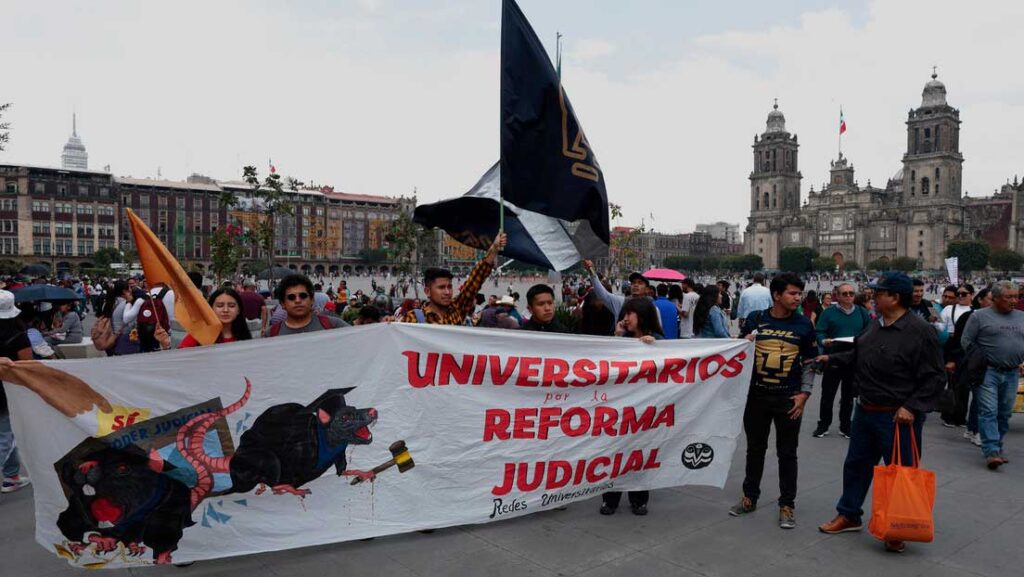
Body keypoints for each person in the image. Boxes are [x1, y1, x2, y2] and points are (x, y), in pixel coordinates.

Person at [816, 272, 945, 554]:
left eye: (879, 293)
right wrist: (830, 359)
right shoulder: (875, 325)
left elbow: (934, 377)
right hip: (866, 410)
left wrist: (911, 407)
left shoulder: (921, 332)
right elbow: (858, 354)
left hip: (897, 417)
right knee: (856, 466)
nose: (872, 297)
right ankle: (849, 514)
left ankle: (898, 526)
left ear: (895, 298)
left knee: (900, 473)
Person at [731, 273, 817, 529]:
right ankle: (749, 497)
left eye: (799, 294)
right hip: (756, 398)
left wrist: (804, 394)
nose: (797, 298)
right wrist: (743, 342)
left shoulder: (804, 325)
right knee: (754, 450)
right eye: (792, 293)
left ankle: (787, 505)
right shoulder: (757, 320)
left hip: (789, 400)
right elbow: (738, 352)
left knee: (787, 454)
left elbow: (810, 363)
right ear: (776, 295)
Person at [600, 298, 662, 516]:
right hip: (619, 408)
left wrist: (652, 347)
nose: (625, 318)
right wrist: (617, 338)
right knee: (614, 454)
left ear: (643, 316)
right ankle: (610, 498)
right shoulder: (620, 338)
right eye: (624, 314)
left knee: (640, 455)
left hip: (645, 409)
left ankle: (638, 498)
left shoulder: (658, 340)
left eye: (630, 314)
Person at [959, 281, 1024, 470]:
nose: (1014, 300)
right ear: (994, 298)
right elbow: (966, 341)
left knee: (1004, 412)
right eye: (1009, 297)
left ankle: (998, 446)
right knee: (988, 411)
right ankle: (991, 451)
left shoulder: (1021, 317)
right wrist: (979, 360)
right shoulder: (979, 317)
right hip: (987, 371)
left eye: (1016, 296)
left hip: (1012, 372)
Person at [403, 233, 506, 324]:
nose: (447, 292)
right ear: (427, 291)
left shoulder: (457, 309)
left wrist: (494, 248)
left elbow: (476, 280)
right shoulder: (413, 318)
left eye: (449, 287)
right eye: (441, 287)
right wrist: (388, 324)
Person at [812, 283, 871, 439]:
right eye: (844, 294)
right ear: (837, 296)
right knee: (827, 395)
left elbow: (869, 332)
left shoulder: (862, 313)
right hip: (832, 358)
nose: (848, 296)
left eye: (851, 293)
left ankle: (845, 426)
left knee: (848, 396)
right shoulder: (828, 313)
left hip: (854, 359)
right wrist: (824, 341)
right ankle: (823, 425)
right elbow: (820, 331)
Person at [0, 290, 33, 495]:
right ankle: (10, 475)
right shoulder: (18, 335)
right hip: (7, 392)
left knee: (7, 436)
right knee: (5, 436)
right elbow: (27, 366)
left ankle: (11, 476)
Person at [267, 274, 350, 336]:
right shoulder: (271, 334)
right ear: (282, 303)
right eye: (291, 297)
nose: (298, 301)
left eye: (303, 296)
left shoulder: (334, 325)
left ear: (312, 300)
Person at [178, 288, 253, 347]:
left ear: (238, 310)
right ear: (211, 309)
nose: (225, 310)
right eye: (220, 306)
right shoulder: (198, 336)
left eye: (231, 306)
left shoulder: (246, 338)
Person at [583, 260, 650, 321]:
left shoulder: (653, 308)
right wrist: (591, 270)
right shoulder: (621, 302)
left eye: (640, 283)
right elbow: (603, 295)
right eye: (633, 283)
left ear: (647, 289)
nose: (636, 285)